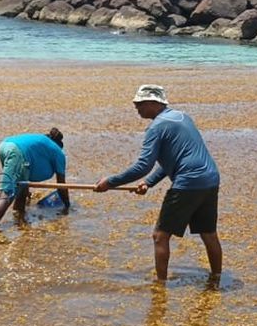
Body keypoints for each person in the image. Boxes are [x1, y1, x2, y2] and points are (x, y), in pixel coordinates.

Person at [94, 85, 223, 282]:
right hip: (210, 179)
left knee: (160, 236)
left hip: (187, 182)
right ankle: (216, 278)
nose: (136, 108)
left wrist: (110, 182)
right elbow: (175, 158)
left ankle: (160, 285)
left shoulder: (156, 127)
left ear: (154, 103)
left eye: (139, 104)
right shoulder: (182, 117)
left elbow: (142, 166)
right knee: (208, 233)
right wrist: (149, 182)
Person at [0, 128, 70, 231]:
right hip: (17, 152)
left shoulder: (41, 141)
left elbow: (27, 166)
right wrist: (67, 205)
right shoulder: (58, 152)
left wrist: (26, 190)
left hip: (4, 146)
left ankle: (19, 220)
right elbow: (61, 185)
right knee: (7, 194)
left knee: (22, 187)